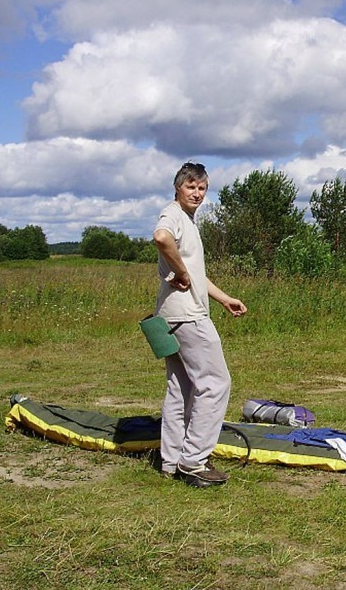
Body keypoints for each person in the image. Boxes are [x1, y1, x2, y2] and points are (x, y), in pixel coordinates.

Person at [153, 161, 247, 487]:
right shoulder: (173, 215)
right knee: (216, 383)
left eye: (202, 188)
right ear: (177, 188)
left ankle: (170, 461)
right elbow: (161, 238)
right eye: (190, 186)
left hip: (170, 316)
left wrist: (223, 298)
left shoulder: (188, 220)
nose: (196, 193)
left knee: (181, 388)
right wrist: (179, 271)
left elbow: (194, 274)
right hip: (188, 316)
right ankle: (194, 461)